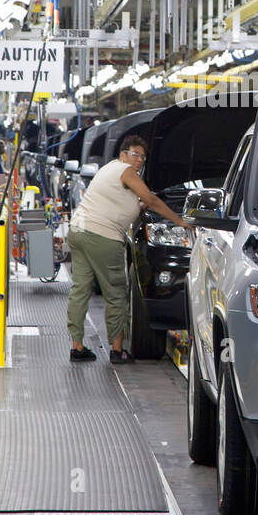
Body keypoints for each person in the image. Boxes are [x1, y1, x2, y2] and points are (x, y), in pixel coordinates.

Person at [67, 133, 194, 364]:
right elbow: (152, 200)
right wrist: (181, 222)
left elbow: (129, 201)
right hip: (102, 236)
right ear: (123, 154)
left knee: (80, 290)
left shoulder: (109, 169)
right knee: (116, 293)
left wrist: (140, 206)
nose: (139, 161)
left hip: (78, 231)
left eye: (142, 158)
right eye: (135, 155)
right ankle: (117, 351)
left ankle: (77, 347)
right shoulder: (126, 171)